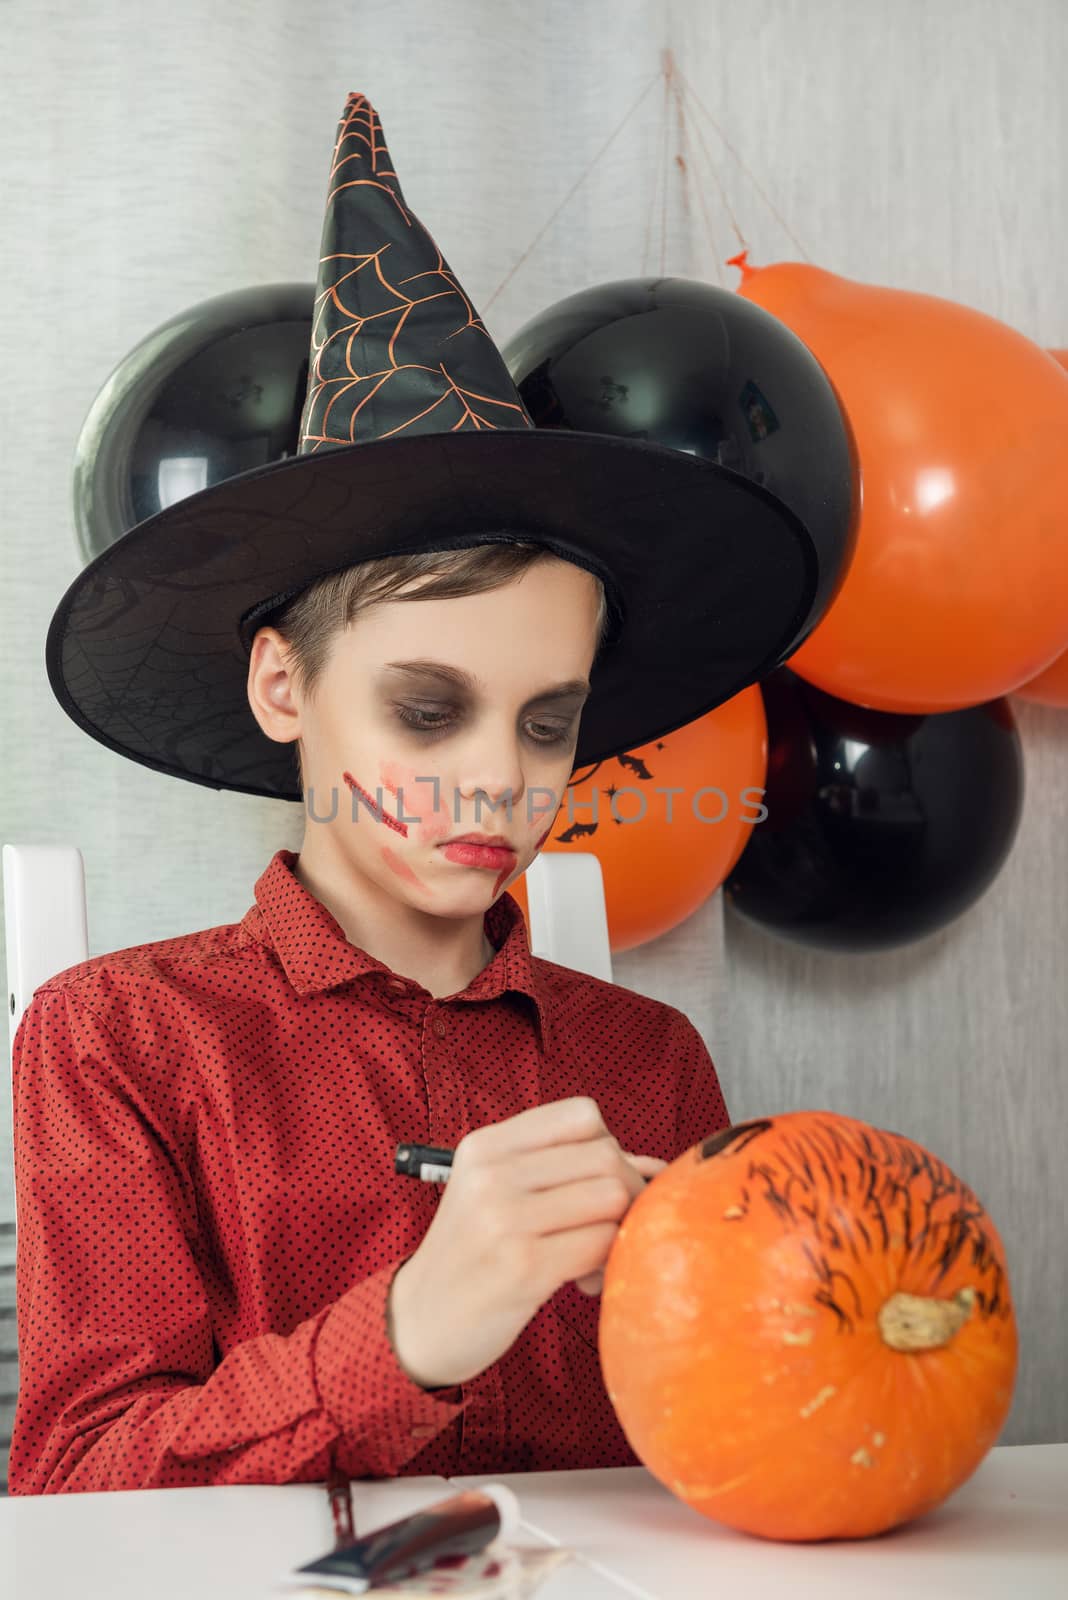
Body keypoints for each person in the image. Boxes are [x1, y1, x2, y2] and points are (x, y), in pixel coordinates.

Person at [10, 92, 821, 1495]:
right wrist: (408, 1335)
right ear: (283, 690)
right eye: (427, 707)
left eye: (549, 721)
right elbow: (75, 1477)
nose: (499, 779)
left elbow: (730, 1441)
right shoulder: (120, 1042)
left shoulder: (651, 1062)